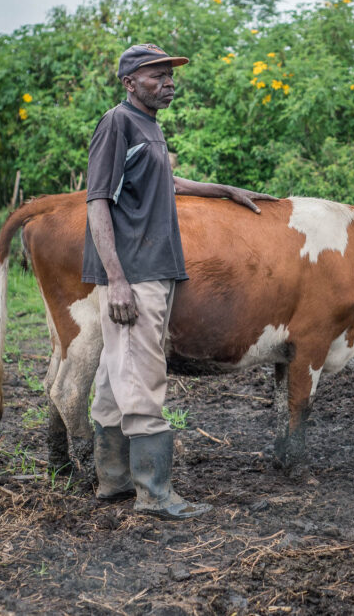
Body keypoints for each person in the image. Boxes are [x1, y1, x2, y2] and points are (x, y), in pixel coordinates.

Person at [82, 43, 275, 520]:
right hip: (134, 273)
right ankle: (155, 493)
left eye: (170, 75)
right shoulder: (117, 123)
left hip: (155, 269)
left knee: (113, 375)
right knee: (144, 376)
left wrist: (226, 190)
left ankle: (113, 481)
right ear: (129, 83)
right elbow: (97, 201)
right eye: (157, 75)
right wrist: (118, 280)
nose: (168, 82)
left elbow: (169, 183)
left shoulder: (150, 126)